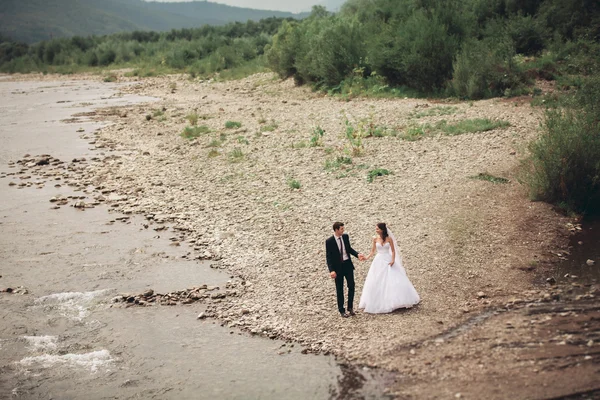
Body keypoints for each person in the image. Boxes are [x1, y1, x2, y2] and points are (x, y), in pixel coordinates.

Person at [359, 222, 420, 313]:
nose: (376, 230)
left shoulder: (389, 239)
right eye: (376, 228)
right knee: (377, 279)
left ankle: (397, 300)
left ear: (382, 230)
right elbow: (372, 251)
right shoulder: (375, 239)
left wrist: (393, 260)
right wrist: (366, 258)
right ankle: (378, 300)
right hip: (378, 260)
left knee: (393, 278)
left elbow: (393, 250)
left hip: (387, 259)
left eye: (377, 228)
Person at [325, 222, 365, 318]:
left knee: (351, 285)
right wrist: (331, 270)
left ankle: (350, 307)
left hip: (347, 264)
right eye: (341, 229)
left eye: (343, 228)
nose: (343, 230)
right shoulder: (329, 241)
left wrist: (357, 254)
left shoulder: (345, 237)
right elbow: (328, 257)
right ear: (336, 230)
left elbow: (349, 249)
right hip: (337, 267)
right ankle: (341, 310)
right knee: (339, 288)